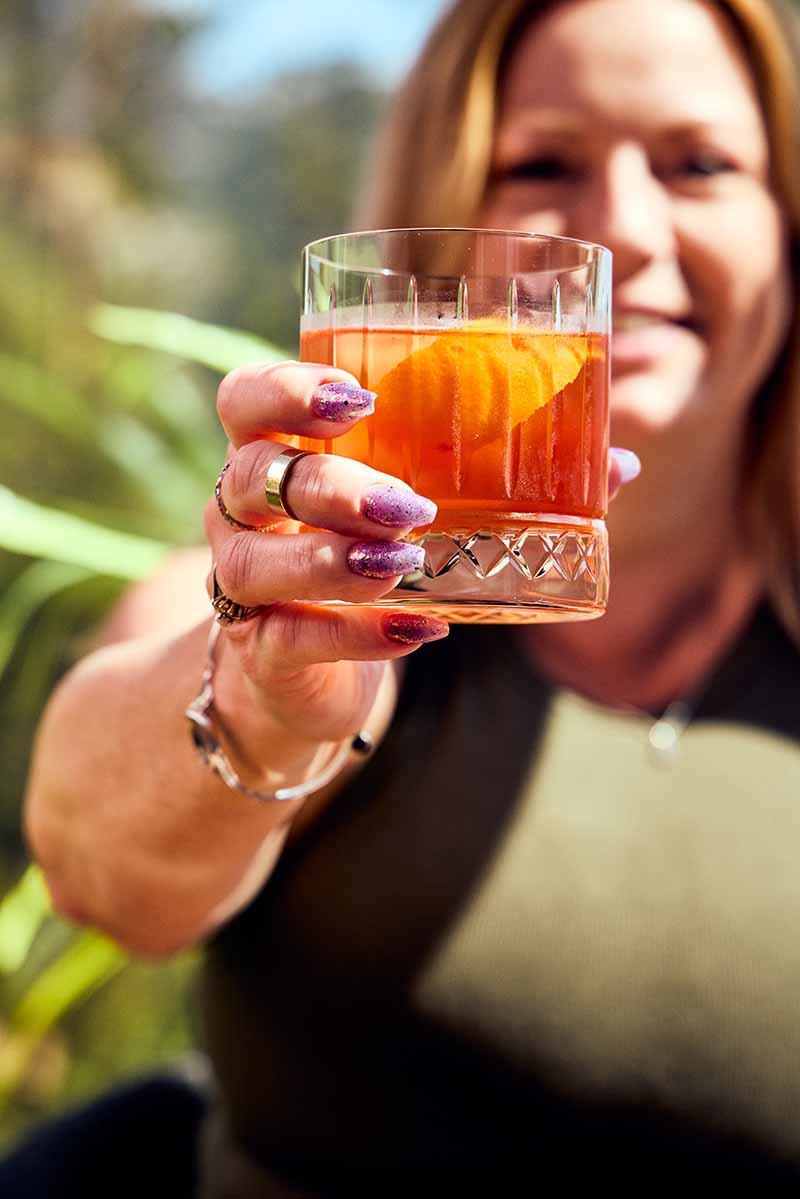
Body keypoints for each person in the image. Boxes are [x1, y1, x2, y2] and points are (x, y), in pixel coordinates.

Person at [15, 0, 800, 1191]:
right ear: (438, 230)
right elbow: (97, 864)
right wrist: (265, 691)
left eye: (698, 164)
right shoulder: (327, 604)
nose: (626, 230)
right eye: (542, 162)